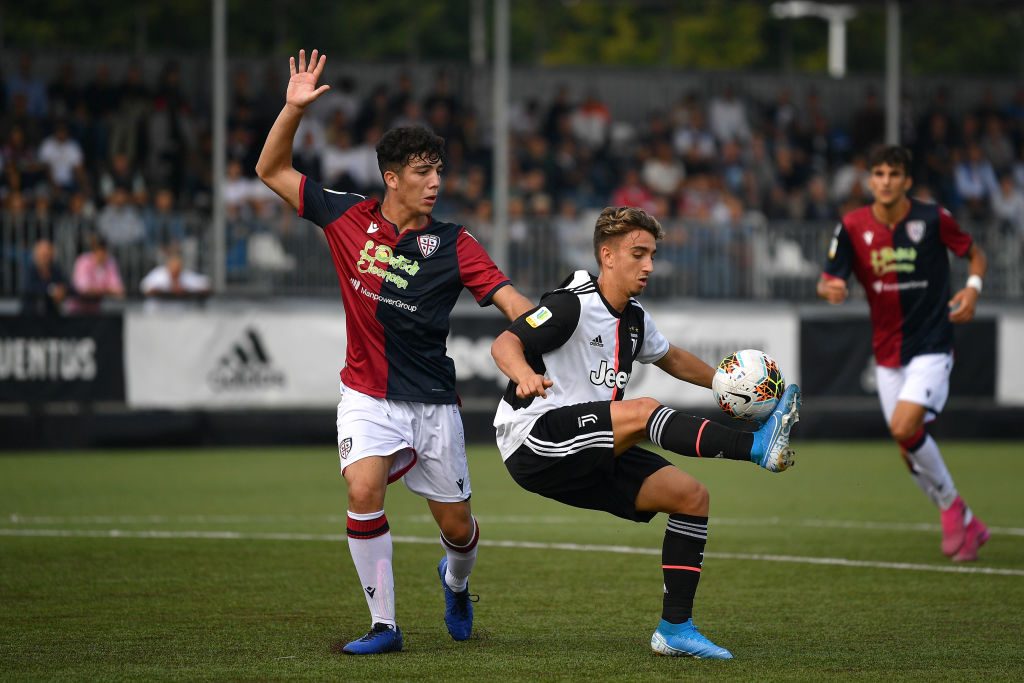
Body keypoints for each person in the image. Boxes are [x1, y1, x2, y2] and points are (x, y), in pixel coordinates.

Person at [255, 50, 533, 655]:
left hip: (432, 401)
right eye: (422, 171)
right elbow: (270, 169)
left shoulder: (454, 243)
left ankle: (455, 583)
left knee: (457, 529)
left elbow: (510, 299)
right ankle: (384, 625)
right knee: (362, 492)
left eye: (438, 171)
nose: (435, 182)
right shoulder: (345, 215)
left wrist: (541, 330)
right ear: (391, 177)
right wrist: (293, 109)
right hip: (366, 394)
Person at [490, 206, 802, 660]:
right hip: (534, 439)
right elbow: (506, 343)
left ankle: (674, 629)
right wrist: (523, 374)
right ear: (607, 256)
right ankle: (755, 446)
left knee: (690, 497)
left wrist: (726, 384)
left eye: (652, 255)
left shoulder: (634, 318)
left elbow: (670, 357)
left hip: (591, 446)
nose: (649, 265)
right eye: (638, 254)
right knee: (642, 411)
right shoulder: (571, 303)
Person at [817, 145, 989, 562]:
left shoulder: (932, 218)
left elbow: (975, 254)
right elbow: (827, 279)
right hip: (887, 350)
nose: (886, 181)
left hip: (932, 342)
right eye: (879, 173)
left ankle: (950, 506)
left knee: (903, 426)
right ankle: (968, 520)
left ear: (907, 181)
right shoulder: (852, 226)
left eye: (894, 174)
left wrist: (972, 289)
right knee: (906, 444)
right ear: (870, 180)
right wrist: (830, 289)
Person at [67, 234, 124, 315]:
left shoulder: (110, 262)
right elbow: (84, 290)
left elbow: (119, 291)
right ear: (94, 250)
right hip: (78, 311)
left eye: (104, 250)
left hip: (97, 311)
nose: (102, 253)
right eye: (99, 249)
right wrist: (107, 290)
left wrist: (98, 290)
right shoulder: (83, 261)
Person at [139, 252, 210, 313]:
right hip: (158, 311)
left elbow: (205, 285)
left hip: (180, 312)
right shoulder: (159, 275)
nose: (175, 273)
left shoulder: (185, 276)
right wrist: (167, 289)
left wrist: (185, 289)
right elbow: (145, 287)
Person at [20, 238, 71, 316]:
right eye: (43, 255)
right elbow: (29, 287)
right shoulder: (30, 270)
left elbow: (67, 285)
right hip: (31, 315)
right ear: (36, 255)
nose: (46, 258)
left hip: (52, 314)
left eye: (48, 254)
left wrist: (62, 290)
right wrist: (52, 290)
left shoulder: (56, 270)